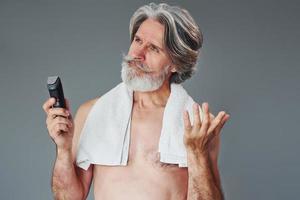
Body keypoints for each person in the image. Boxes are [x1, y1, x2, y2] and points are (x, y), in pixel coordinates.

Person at [42, 3, 230, 200]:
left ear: (175, 64)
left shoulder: (197, 126)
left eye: (154, 48)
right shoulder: (92, 112)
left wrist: (197, 153)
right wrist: (63, 149)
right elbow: (67, 197)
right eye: (137, 40)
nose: (137, 54)